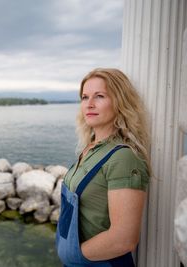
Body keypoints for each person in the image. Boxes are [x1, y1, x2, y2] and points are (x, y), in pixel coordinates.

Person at [56, 68, 151, 267]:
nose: (89, 104)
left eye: (99, 96)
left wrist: (74, 255)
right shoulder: (89, 148)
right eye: (84, 97)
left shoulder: (123, 158)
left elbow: (123, 239)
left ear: (119, 101)